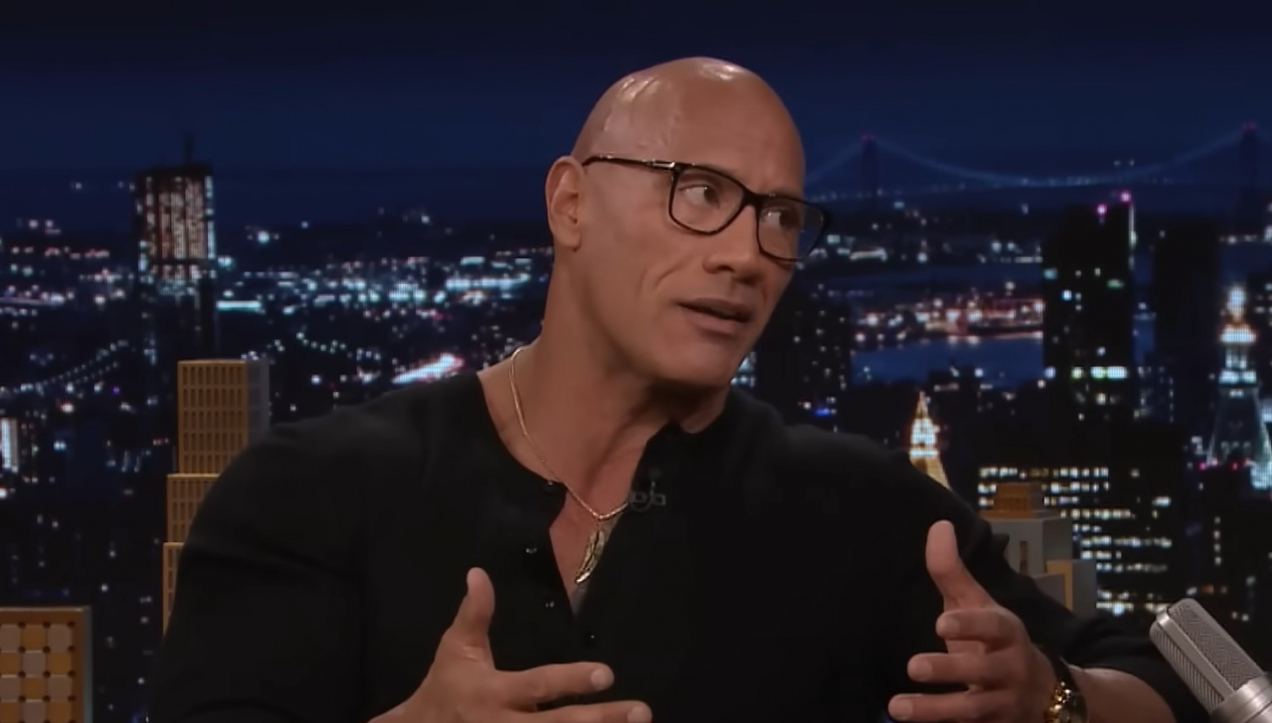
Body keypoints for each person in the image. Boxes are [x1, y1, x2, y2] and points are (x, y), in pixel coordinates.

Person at [148, 57, 1205, 723]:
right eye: (701, 193)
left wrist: (1054, 699)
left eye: (780, 218)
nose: (747, 253)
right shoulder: (307, 493)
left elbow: (1168, 688)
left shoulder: (865, 510)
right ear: (570, 204)